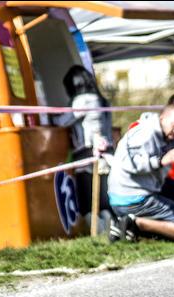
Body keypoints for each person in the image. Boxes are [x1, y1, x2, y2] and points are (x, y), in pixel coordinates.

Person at [107, 103, 174, 242]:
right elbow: (127, 162)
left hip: (130, 197)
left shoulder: (166, 133)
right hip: (132, 199)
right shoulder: (146, 133)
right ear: (162, 118)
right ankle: (133, 223)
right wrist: (160, 161)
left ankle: (128, 229)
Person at [55, 65, 114, 233]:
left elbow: (62, 122)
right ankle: (109, 229)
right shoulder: (102, 100)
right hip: (106, 153)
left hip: (86, 153)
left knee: (87, 200)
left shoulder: (82, 100)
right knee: (103, 199)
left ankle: (97, 232)